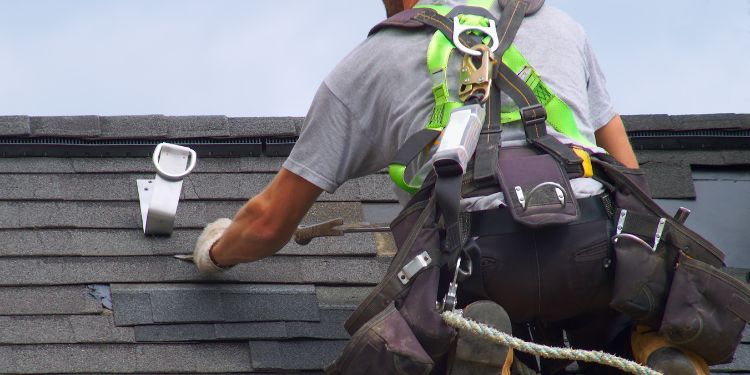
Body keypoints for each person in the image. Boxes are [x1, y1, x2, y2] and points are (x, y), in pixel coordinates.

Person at [191, 0, 710, 373]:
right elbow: (634, 182)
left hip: (478, 265)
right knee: (620, 305)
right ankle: (654, 341)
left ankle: (481, 351)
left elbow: (268, 223)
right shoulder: (559, 25)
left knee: (413, 339)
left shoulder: (370, 64)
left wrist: (215, 253)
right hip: (595, 254)